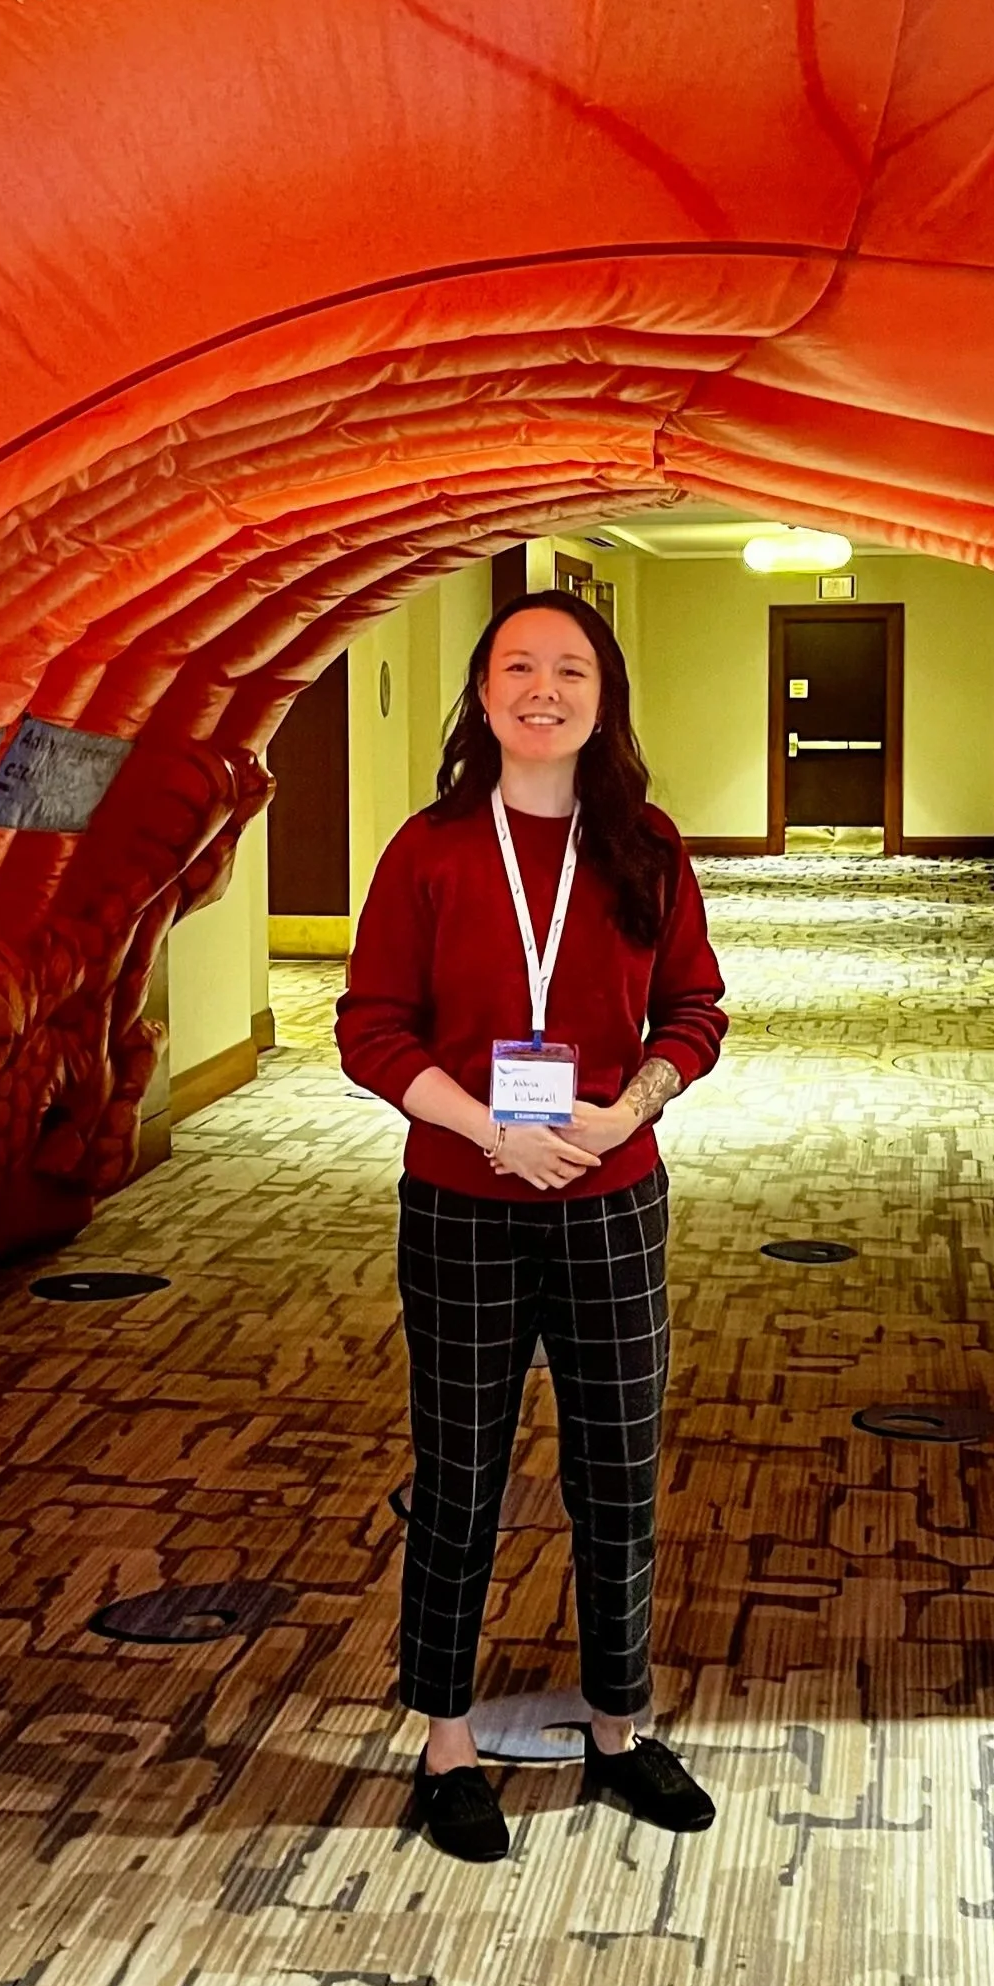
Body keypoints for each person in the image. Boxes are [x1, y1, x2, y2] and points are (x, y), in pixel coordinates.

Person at [338, 587, 728, 1863]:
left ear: (603, 695)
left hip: (614, 1199)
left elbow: (696, 1011)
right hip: (462, 1198)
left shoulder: (649, 847)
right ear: (483, 693)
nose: (542, 688)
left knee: (615, 1470)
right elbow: (370, 1025)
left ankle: (618, 1726)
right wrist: (482, 1126)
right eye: (518, 666)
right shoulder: (431, 848)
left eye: (570, 668)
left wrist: (627, 1111)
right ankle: (445, 1742)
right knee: (460, 1475)